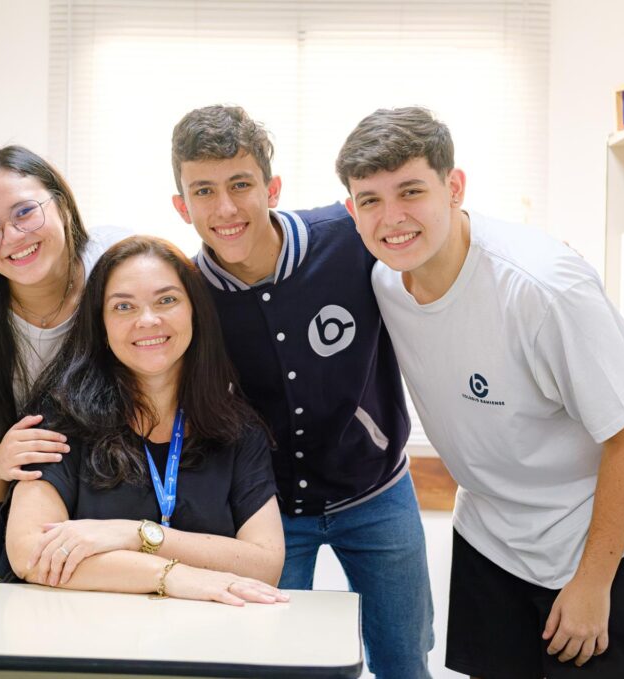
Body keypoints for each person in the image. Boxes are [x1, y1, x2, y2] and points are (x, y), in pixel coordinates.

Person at [336, 107, 624, 679]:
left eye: (410, 191)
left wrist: (594, 581)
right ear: (352, 210)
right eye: (370, 200)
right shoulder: (385, 279)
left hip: (592, 533)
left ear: (454, 187)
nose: (391, 219)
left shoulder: (542, 289)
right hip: (493, 531)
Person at [170, 105, 433, 676]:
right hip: (264, 520)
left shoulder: (349, 239)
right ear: (181, 205)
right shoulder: (185, 295)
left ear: (273, 187)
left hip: (377, 492)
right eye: (204, 191)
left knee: (404, 661)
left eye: (241, 184)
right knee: (274, 665)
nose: (226, 208)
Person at [3, 235, 287, 605]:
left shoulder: (236, 428)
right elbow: (30, 553)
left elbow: (265, 565)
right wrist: (175, 576)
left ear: (195, 313)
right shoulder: (61, 419)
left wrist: (136, 534)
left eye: (166, 300)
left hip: (208, 644)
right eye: (123, 307)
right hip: (89, 643)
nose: (148, 320)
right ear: (101, 325)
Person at [0, 146, 130, 580]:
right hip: (12, 507)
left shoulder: (115, 262)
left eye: (25, 212)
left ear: (60, 203)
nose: (14, 237)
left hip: (117, 482)